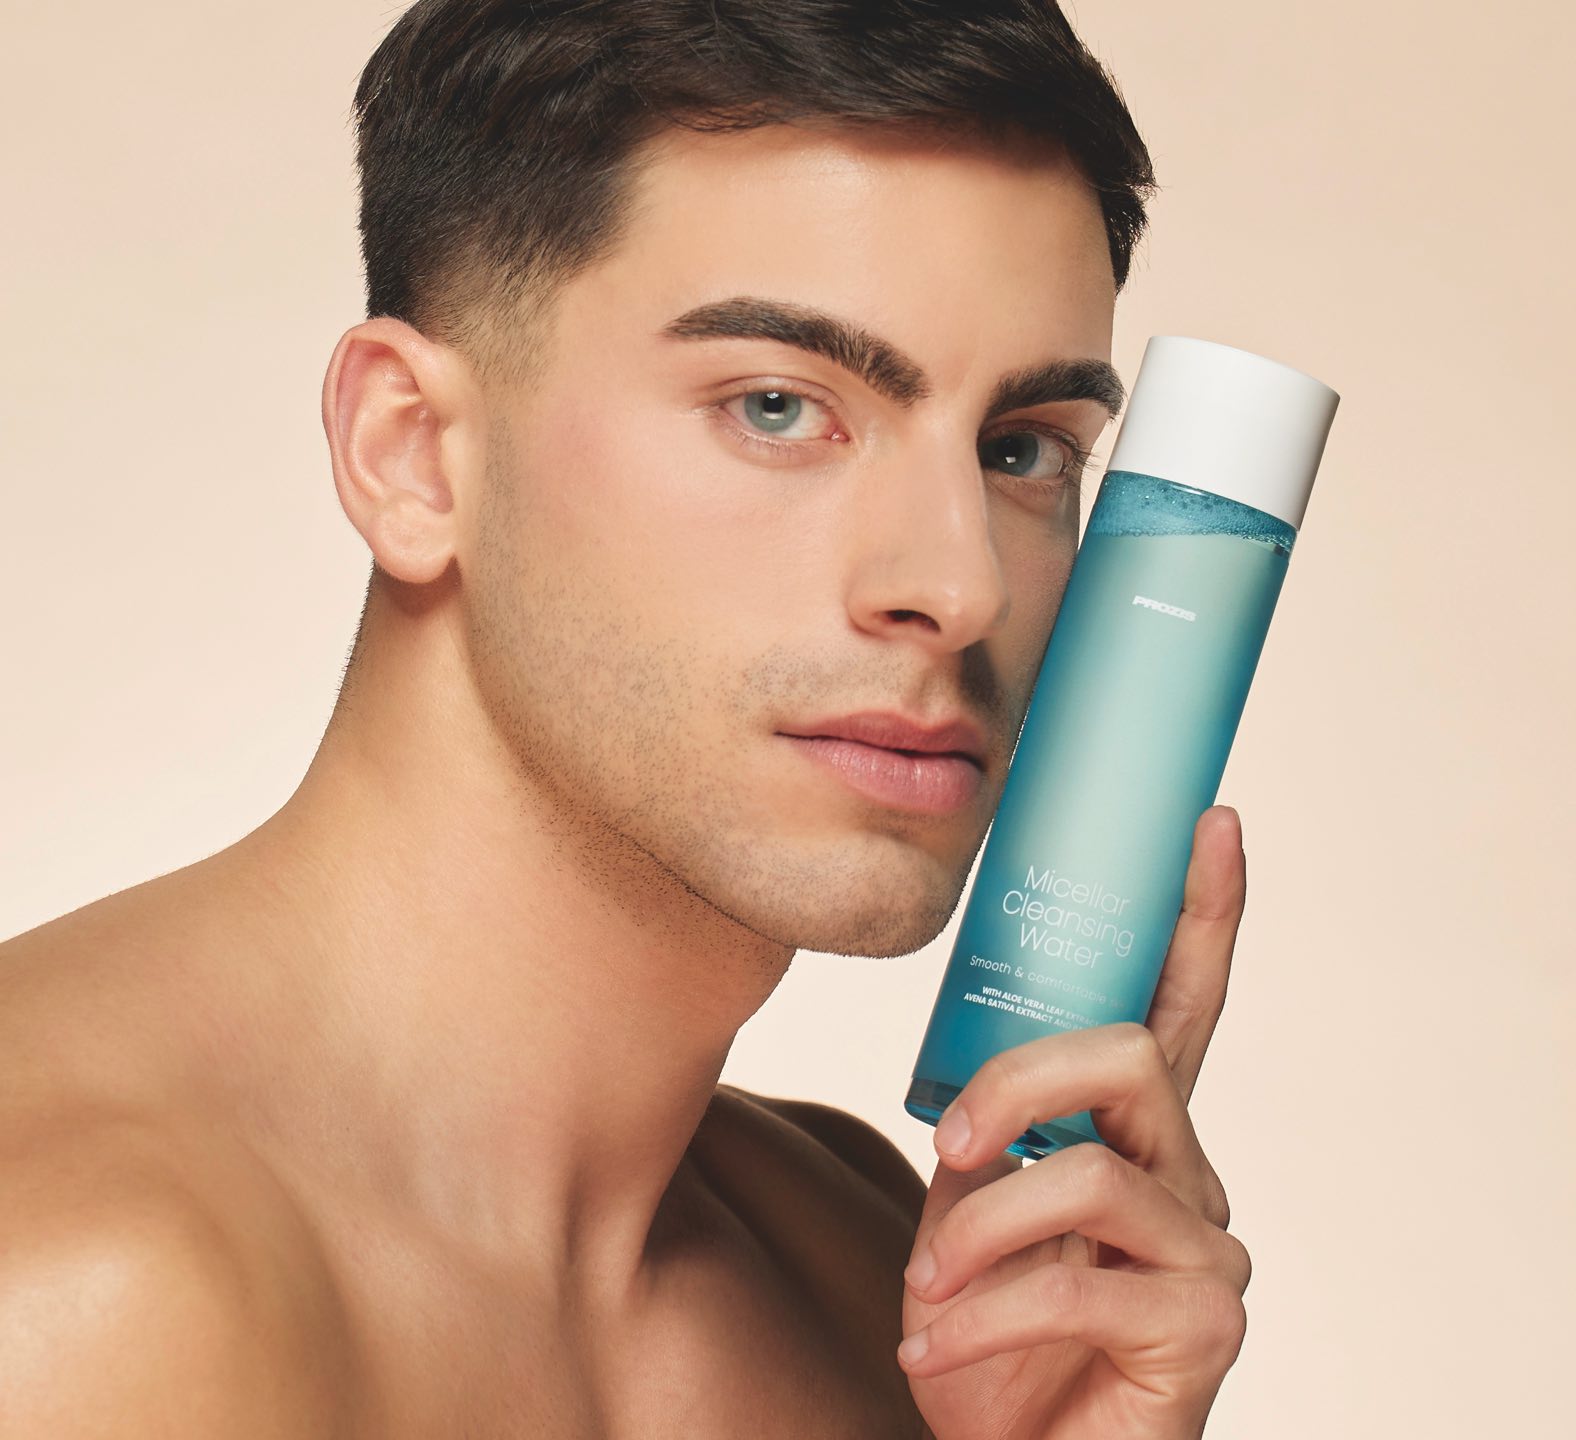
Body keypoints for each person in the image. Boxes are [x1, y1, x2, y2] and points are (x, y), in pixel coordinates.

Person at [0, 1, 1252, 1434]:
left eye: (1022, 449)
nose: (961, 587)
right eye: (777, 407)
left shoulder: (875, 1275)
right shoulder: (74, 1290)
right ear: (412, 453)